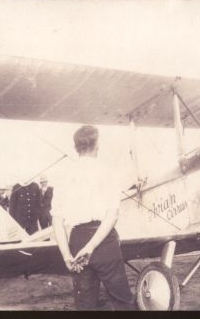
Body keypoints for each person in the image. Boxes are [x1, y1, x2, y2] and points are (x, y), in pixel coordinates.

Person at [51, 125, 135, 310]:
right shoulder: (108, 171)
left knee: (85, 304)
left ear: (75, 148)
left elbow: (56, 219)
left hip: (77, 240)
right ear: (97, 146)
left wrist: (67, 256)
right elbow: (112, 216)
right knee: (123, 301)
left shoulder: (63, 175)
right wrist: (92, 247)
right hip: (104, 241)